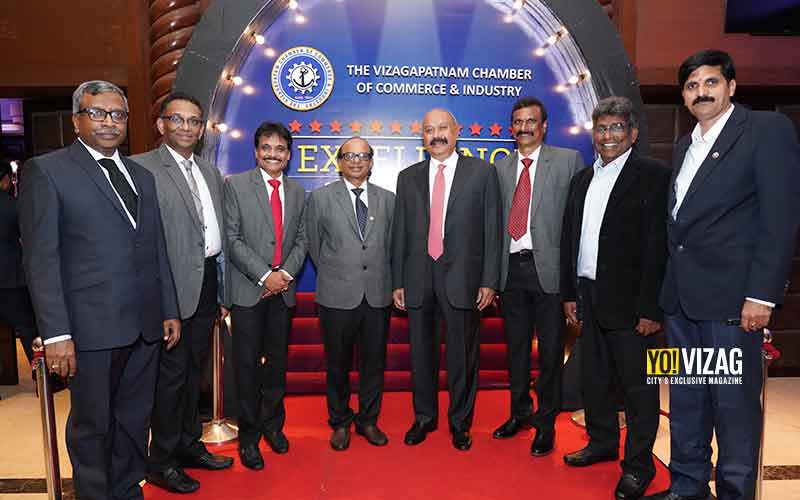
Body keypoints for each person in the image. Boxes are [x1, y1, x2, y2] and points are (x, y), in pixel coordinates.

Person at [644, 50, 800, 500]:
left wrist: (762, 296)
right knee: (686, 401)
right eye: (692, 86)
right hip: (679, 304)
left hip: (732, 305)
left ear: (731, 86)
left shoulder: (766, 130)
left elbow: (780, 218)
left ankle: (734, 493)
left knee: (733, 410)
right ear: (683, 96)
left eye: (710, 82)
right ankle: (686, 486)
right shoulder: (684, 145)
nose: (701, 92)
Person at [18, 80, 181, 500]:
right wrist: (56, 333)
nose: (109, 122)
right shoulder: (48, 171)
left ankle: (127, 490)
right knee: (92, 426)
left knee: (134, 418)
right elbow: (41, 259)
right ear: (77, 120)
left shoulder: (141, 176)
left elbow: (155, 248)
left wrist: (168, 309)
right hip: (89, 329)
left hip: (145, 325)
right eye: (97, 113)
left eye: (118, 114)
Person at [561, 96, 669, 500]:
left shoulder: (653, 176)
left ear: (633, 133)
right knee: (595, 380)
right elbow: (570, 240)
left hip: (633, 304)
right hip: (588, 295)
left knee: (639, 390)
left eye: (617, 128)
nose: (608, 135)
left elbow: (659, 247)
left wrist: (651, 308)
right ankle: (602, 442)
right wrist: (569, 293)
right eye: (602, 128)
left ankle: (639, 466)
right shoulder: (582, 180)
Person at [130, 92, 232, 493]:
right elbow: (140, 242)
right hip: (168, 289)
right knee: (169, 380)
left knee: (193, 374)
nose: (187, 127)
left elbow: (215, 234)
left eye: (194, 121)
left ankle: (189, 445)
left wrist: (220, 290)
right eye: (178, 119)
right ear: (161, 124)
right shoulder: (142, 169)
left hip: (205, 285)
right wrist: (159, 301)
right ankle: (161, 461)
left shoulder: (209, 172)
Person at [392, 108, 502, 451]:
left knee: (462, 357)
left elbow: (493, 231)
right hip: (418, 278)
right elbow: (399, 234)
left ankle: (460, 422)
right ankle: (424, 418)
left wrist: (490, 280)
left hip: (464, 279)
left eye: (442, 128)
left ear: (457, 131)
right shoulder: (407, 177)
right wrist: (397, 281)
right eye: (429, 129)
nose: (436, 135)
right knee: (421, 355)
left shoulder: (482, 173)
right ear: (422, 136)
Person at [492, 97, 583, 455]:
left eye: (531, 121)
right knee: (515, 350)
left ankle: (546, 424)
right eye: (518, 122)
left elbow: (577, 222)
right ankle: (520, 413)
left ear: (544, 126)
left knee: (550, 354)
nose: (524, 127)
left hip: (551, 273)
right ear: (510, 128)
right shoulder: (500, 168)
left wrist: (573, 280)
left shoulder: (568, 161)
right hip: (511, 271)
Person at [223, 121, 307, 470]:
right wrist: (264, 275)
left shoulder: (298, 192)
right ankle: (249, 438)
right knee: (246, 368)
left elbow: (303, 239)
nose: (273, 154)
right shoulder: (235, 186)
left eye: (280, 149)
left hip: (283, 293)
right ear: (256, 152)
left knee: (277, 365)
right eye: (266, 148)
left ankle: (273, 427)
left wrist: (283, 275)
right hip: (248, 292)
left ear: (288, 155)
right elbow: (232, 238)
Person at [305, 137, 395, 451]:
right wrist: (340, 271)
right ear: (339, 161)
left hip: (377, 294)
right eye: (349, 155)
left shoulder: (388, 199)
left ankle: (368, 420)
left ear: (371, 162)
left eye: (362, 155)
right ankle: (340, 421)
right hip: (336, 295)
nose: (356, 161)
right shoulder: (320, 198)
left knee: (374, 363)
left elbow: (393, 245)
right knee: (337, 364)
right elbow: (314, 245)